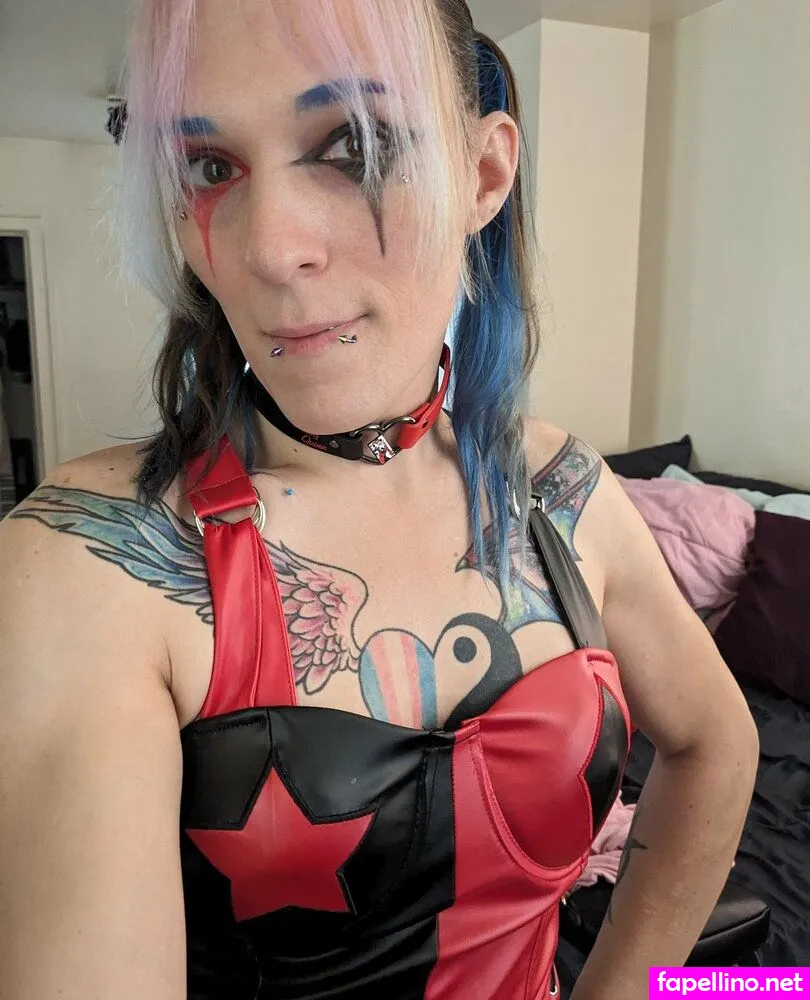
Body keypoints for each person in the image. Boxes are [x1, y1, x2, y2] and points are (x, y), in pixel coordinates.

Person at [0, 1, 759, 998]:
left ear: (483, 175)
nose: (270, 248)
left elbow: (716, 744)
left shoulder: (560, 487)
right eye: (210, 166)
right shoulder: (87, 560)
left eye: (351, 145)